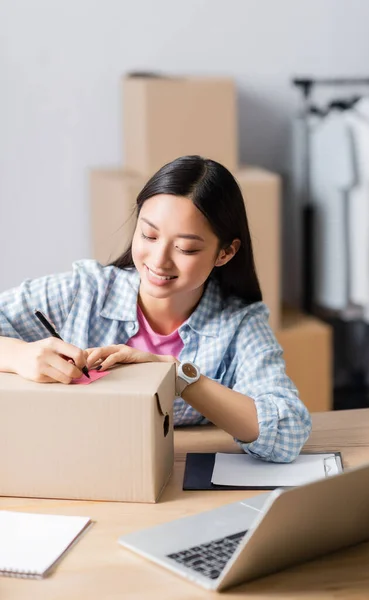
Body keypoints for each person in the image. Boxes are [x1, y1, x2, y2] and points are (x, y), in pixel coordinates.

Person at [0, 155, 311, 461]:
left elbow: (288, 434)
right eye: (148, 235)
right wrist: (19, 355)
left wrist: (178, 377)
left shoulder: (239, 323)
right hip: (70, 462)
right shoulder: (84, 291)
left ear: (225, 253)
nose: (158, 260)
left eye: (186, 248)